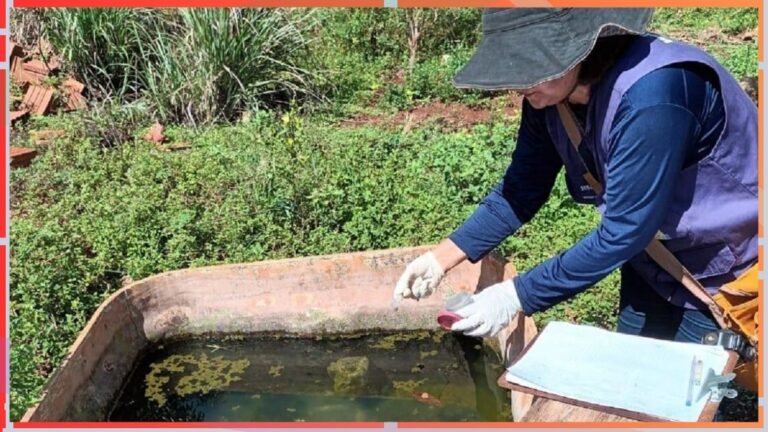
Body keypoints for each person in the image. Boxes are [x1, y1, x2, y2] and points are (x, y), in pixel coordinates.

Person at [392, 8, 758, 346]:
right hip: (655, 257)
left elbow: (624, 231)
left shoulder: (655, 96)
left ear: (576, 48)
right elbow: (521, 189)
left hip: (725, 264)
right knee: (634, 368)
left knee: (691, 385)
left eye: (529, 64)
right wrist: (440, 258)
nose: (516, 83)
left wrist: (514, 296)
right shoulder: (548, 96)